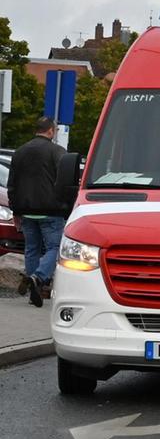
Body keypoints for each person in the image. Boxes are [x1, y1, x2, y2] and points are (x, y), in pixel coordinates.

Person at [7, 116, 72, 307]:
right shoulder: (57, 152)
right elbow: (65, 181)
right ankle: (38, 277)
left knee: (31, 249)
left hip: (26, 210)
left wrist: (15, 210)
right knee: (54, 247)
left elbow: (12, 184)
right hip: (51, 210)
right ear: (51, 131)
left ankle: (32, 291)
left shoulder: (19, 152)